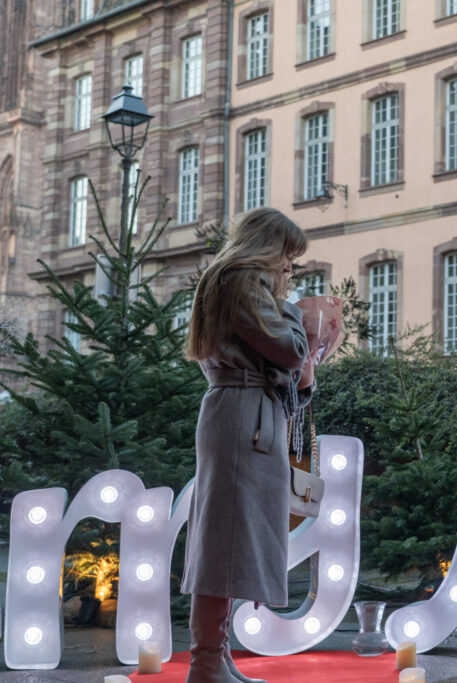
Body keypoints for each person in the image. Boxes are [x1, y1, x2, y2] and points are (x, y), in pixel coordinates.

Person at [181, 208, 311, 683]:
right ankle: (207, 663)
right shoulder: (240, 281)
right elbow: (290, 350)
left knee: (232, 539)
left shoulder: (232, 282)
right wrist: (298, 310)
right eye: (287, 257)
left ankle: (216, 658)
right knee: (226, 541)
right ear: (268, 247)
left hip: (245, 414)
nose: (289, 268)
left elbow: (279, 363)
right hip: (243, 419)